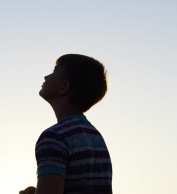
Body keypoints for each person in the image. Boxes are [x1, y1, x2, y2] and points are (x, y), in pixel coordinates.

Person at [19, 54, 112, 194]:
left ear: (64, 87)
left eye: (54, 71)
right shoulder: (96, 137)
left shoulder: (54, 137)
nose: (46, 76)